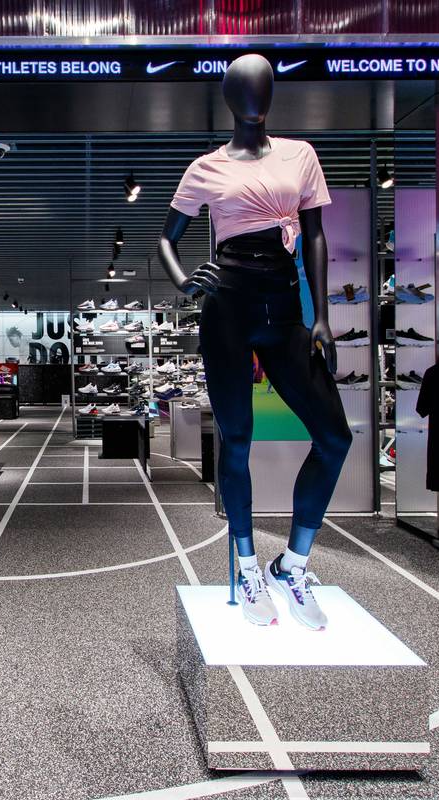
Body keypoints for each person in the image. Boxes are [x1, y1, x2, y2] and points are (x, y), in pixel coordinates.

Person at [157, 54, 352, 631]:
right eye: (245, 86)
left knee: (334, 437)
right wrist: (184, 281)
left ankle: (292, 563)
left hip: (285, 302)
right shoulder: (205, 167)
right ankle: (245, 567)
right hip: (227, 303)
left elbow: (315, 236)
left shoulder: (300, 155)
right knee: (235, 439)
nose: (255, 94)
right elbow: (167, 238)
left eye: (265, 83)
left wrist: (321, 317)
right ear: (227, 96)